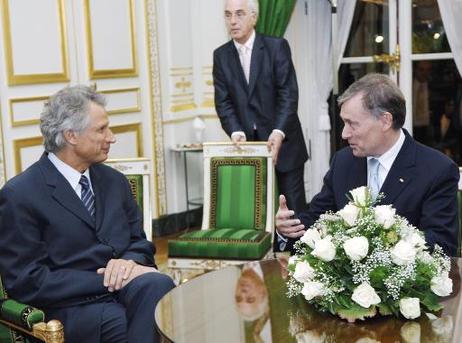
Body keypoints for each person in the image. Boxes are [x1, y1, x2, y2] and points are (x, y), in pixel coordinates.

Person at [0, 85, 175, 343]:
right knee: (137, 325)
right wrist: (107, 279)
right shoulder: (20, 194)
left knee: (161, 285)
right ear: (71, 135)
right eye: (101, 129)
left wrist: (129, 263)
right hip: (70, 307)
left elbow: (140, 243)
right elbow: (28, 282)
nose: (112, 137)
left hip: (127, 291)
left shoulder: (115, 181)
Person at [276, 73, 460, 256]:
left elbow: (441, 245)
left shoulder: (437, 170)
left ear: (385, 121)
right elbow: (316, 220)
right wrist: (287, 229)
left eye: (352, 124)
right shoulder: (343, 161)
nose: (344, 134)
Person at [213, 0, 309, 236]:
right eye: (227, 15)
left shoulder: (276, 47)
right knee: (257, 212)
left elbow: (289, 94)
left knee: (293, 210)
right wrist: (236, 131)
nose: (232, 21)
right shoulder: (221, 56)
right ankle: (261, 266)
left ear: (253, 17)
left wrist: (278, 132)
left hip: (285, 142)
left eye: (239, 14)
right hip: (249, 148)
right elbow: (223, 102)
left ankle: (302, 261)